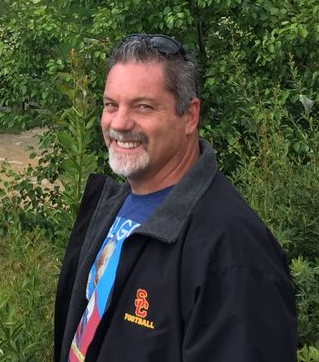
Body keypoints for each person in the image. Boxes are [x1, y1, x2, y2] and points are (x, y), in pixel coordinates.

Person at [54, 33, 297, 362]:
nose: (119, 123)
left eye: (143, 106)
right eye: (111, 105)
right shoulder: (116, 205)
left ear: (190, 116)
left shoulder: (233, 251)